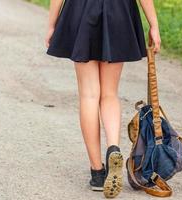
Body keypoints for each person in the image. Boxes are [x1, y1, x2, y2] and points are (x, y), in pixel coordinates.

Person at [45, 0, 161, 198]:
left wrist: (51, 24)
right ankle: (113, 147)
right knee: (109, 94)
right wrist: (154, 25)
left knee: (89, 95)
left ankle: (97, 172)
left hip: (81, 11)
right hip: (119, 11)